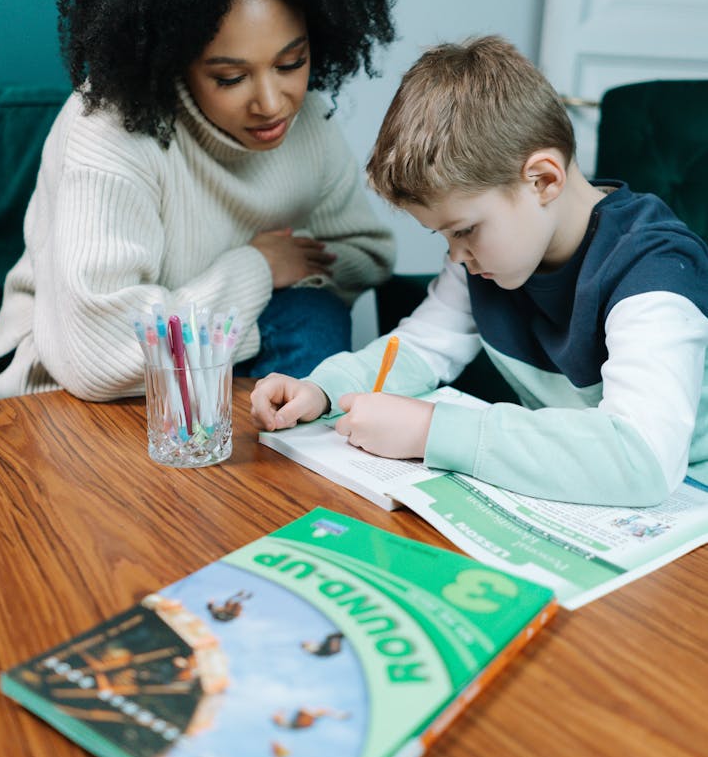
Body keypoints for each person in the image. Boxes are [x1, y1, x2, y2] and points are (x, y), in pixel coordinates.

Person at [0, 0, 395, 402]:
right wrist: (256, 269)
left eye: (291, 63)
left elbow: (368, 253)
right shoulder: (112, 130)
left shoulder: (307, 120)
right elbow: (98, 356)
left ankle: (280, 477)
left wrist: (294, 268)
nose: (272, 103)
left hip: (216, 358)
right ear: (176, 58)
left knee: (312, 313)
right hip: (76, 386)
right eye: (230, 77)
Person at [251, 34, 708, 511]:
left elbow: (641, 458)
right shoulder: (489, 262)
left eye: (465, 230)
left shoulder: (655, 269)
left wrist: (431, 430)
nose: (455, 257)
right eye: (444, 236)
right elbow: (420, 348)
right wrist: (323, 388)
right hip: (574, 492)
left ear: (543, 180)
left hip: (685, 502)